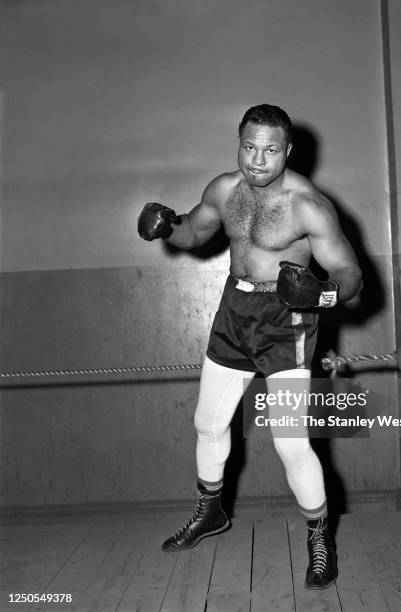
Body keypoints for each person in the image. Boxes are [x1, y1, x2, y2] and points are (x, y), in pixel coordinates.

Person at [138, 104, 362, 590]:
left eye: (271, 150)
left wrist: (321, 293)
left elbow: (353, 279)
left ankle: (319, 536)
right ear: (238, 142)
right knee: (208, 423)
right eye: (249, 147)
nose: (258, 160)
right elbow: (194, 232)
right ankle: (210, 511)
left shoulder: (309, 206)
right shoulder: (224, 190)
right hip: (234, 313)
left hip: (288, 322)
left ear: (288, 151)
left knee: (290, 442)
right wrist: (167, 225)